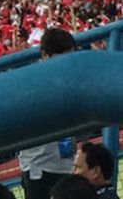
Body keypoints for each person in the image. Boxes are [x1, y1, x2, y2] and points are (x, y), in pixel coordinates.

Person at [19, 28, 77, 199]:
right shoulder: (31, 84)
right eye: (62, 57)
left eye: (70, 56)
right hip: (40, 168)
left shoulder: (69, 79)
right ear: (45, 55)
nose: (67, 63)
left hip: (65, 164)